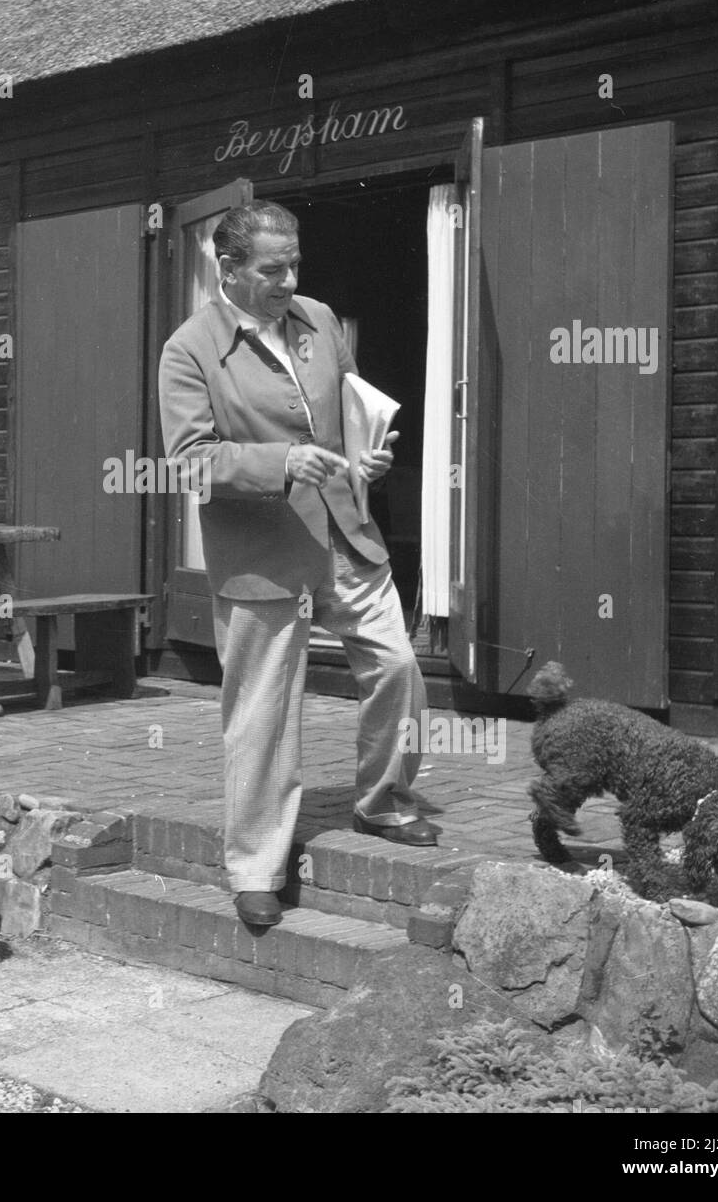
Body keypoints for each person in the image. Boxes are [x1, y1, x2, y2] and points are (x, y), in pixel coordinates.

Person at [158, 200, 435, 929]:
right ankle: (255, 867)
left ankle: (383, 803)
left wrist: (365, 453)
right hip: (263, 555)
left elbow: (348, 409)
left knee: (398, 667)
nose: (289, 281)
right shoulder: (188, 350)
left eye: (295, 265)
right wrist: (281, 462)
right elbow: (188, 462)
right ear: (231, 269)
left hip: (346, 533)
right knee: (263, 714)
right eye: (272, 269)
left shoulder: (317, 319)